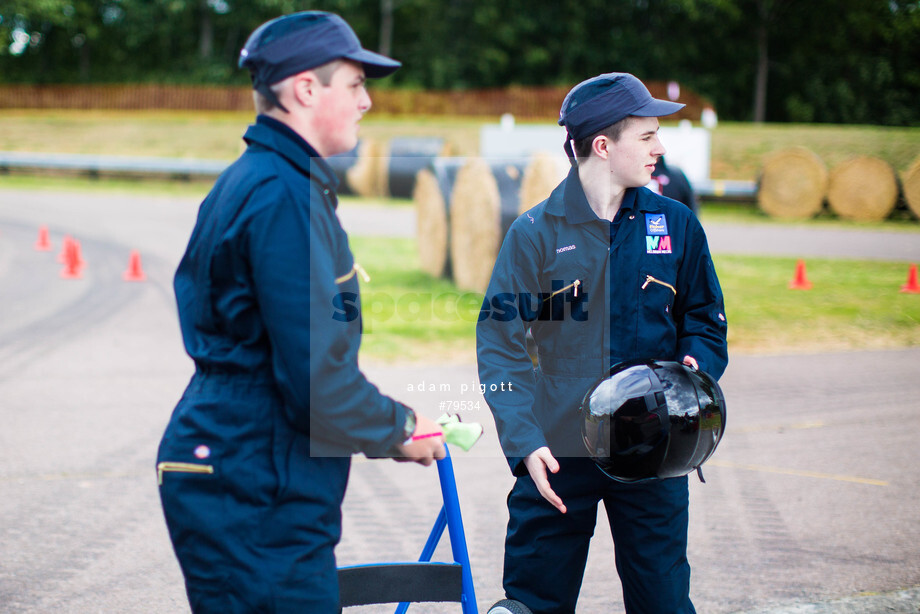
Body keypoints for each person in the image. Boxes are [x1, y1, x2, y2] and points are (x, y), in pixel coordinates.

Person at [155, 11, 445, 614]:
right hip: (252, 477)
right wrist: (399, 428)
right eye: (356, 84)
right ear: (306, 89)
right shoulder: (281, 195)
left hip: (243, 464)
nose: (367, 102)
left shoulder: (266, 180)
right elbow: (317, 384)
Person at [477, 72, 728, 614]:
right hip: (558, 452)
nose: (660, 148)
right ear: (601, 146)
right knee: (532, 604)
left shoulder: (677, 224)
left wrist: (692, 373)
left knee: (663, 603)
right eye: (647, 136)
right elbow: (499, 344)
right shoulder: (534, 233)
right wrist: (523, 443)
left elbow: (706, 320)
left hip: (655, 452)